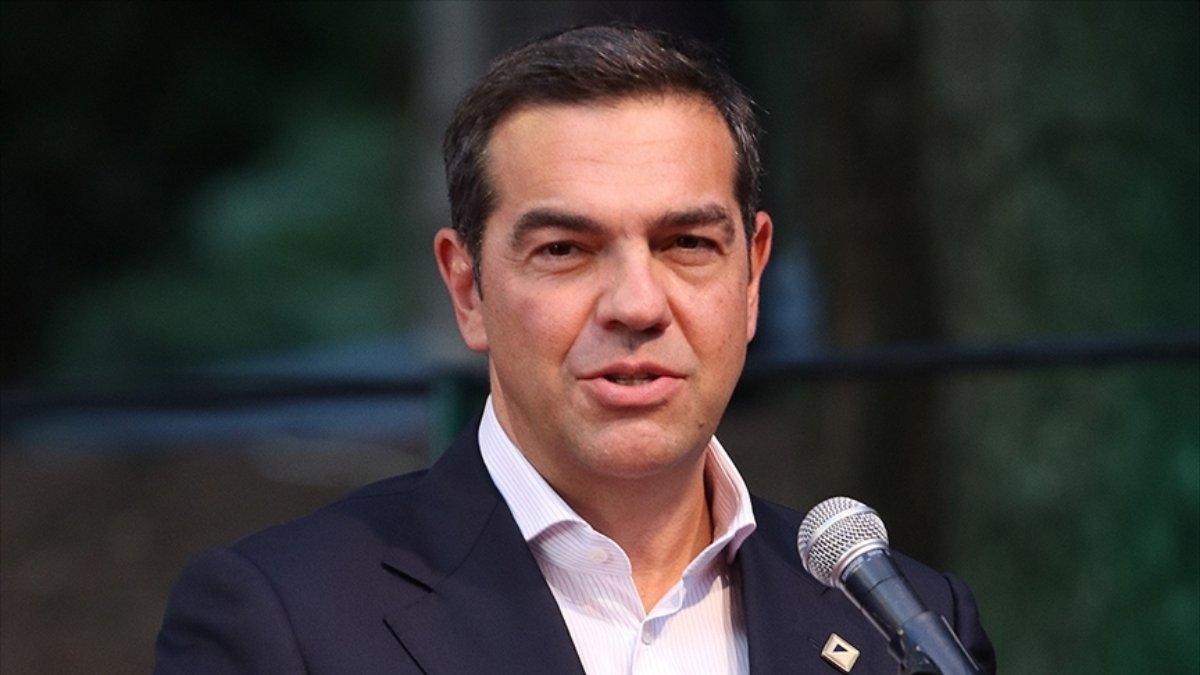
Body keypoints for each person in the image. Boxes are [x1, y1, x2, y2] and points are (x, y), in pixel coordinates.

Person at [154, 25, 996, 674]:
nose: (637, 305)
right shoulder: (282, 622)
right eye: (565, 249)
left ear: (752, 276)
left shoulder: (910, 624)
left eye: (687, 244)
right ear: (468, 289)